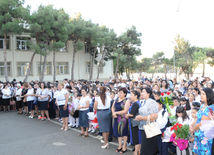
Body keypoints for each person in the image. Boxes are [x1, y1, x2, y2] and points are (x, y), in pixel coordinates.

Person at [135, 87, 159, 155]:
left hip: (149, 128)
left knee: (148, 149)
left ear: (148, 93)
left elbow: (154, 116)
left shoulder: (151, 102)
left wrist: (141, 118)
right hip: (144, 128)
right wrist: (139, 117)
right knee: (145, 149)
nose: (141, 93)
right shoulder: (144, 101)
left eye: (143, 91)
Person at [190, 88, 214, 155]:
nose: (201, 95)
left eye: (203, 94)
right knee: (196, 152)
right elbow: (197, 118)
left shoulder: (210, 107)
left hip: (205, 137)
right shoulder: (202, 106)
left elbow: (202, 124)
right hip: (198, 134)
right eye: (201, 94)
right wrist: (191, 125)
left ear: (209, 95)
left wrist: (193, 129)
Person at [111, 87, 130, 154]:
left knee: (124, 133)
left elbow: (125, 111)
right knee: (118, 133)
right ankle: (120, 146)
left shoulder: (127, 100)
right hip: (115, 118)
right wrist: (113, 112)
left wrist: (116, 113)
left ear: (125, 94)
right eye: (119, 92)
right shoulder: (116, 99)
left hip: (123, 119)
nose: (119, 94)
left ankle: (124, 146)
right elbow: (112, 107)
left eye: (121, 93)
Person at [125, 90, 141, 155]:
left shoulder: (135, 104)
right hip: (136, 122)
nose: (130, 96)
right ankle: (138, 151)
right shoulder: (137, 103)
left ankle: (136, 152)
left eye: (132, 95)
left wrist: (127, 115)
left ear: (136, 96)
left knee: (136, 138)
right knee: (138, 137)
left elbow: (132, 114)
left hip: (135, 123)